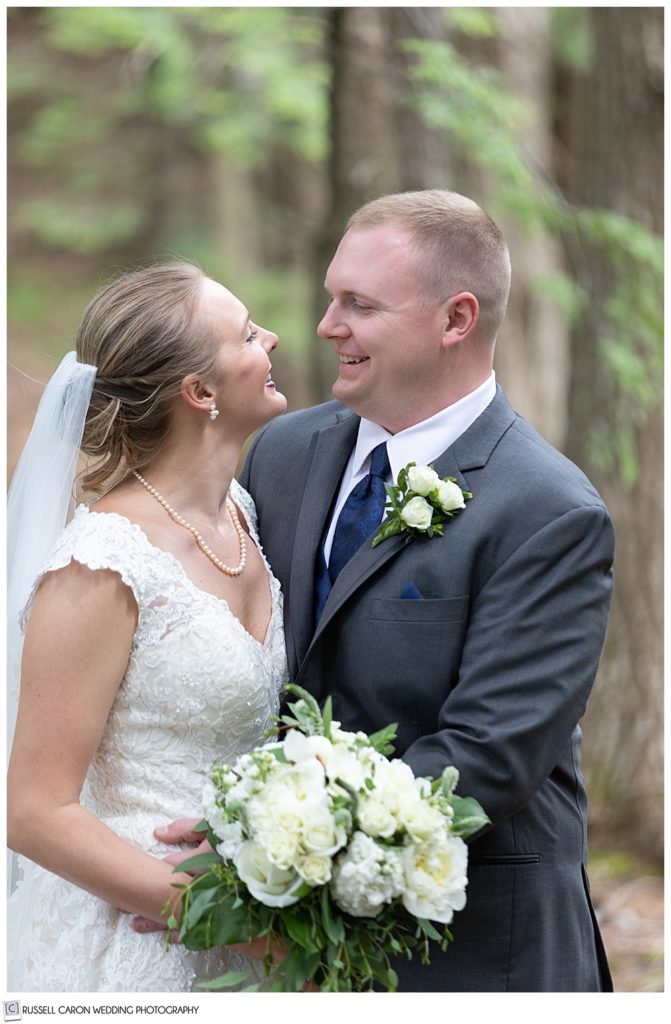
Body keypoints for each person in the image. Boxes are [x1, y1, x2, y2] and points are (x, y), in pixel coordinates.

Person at [155, 190, 615, 992]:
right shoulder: (283, 454)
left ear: (455, 319)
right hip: (283, 948)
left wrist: (256, 847)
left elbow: (488, 757)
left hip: (469, 954)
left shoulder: (548, 511)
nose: (327, 325)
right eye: (331, 297)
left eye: (358, 305)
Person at [6, 261, 290, 991]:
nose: (275, 339)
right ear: (199, 392)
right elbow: (36, 811)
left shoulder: (242, 516)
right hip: (134, 941)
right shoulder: (101, 563)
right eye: (250, 334)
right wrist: (232, 922)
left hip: (262, 927)